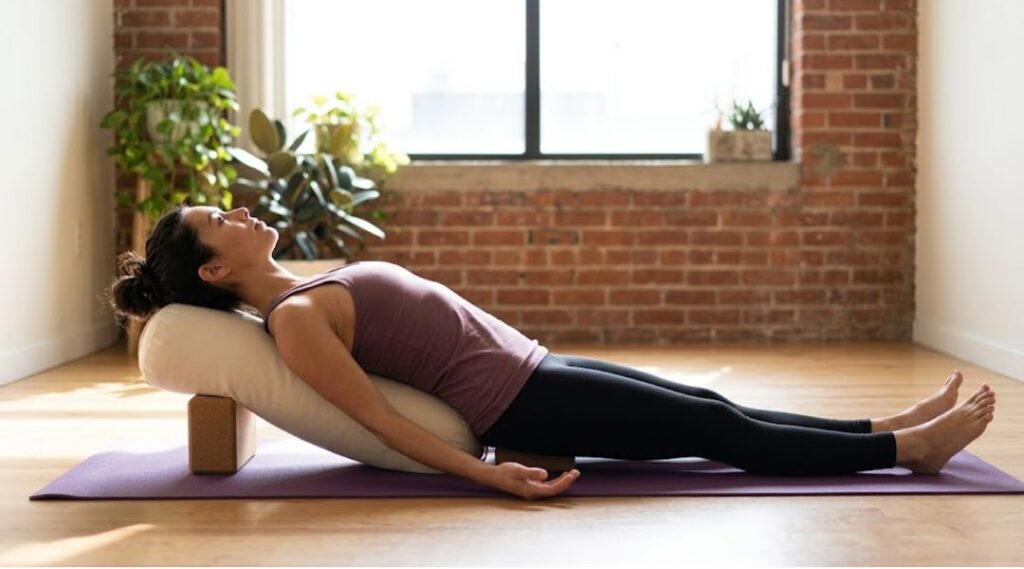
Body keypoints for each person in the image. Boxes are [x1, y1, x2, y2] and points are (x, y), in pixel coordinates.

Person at [107, 205, 998, 501]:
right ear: (219, 267)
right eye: (219, 221)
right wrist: (486, 474)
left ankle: (885, 425)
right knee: (716, 429)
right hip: (521, 403)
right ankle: (904, 452)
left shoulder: (304, 291)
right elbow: (373, 418)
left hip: (538, 366)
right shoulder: (296, 323)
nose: (238, 211)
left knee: (711, 407)